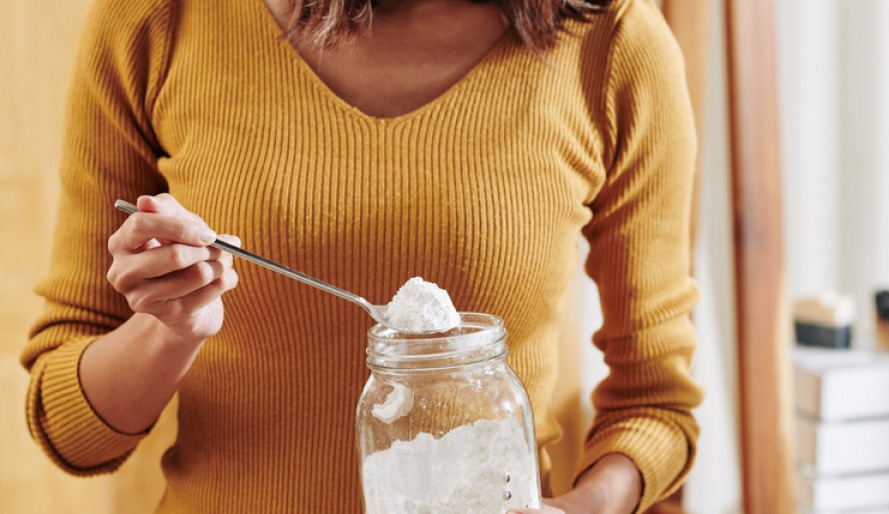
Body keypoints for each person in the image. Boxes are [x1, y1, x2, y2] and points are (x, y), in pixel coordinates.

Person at [20, 0, 702, 512]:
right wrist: (168, 329)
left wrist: (584, 506)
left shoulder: (615, 46)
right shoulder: (158, 21)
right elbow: (72, 434)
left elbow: (656, 403)